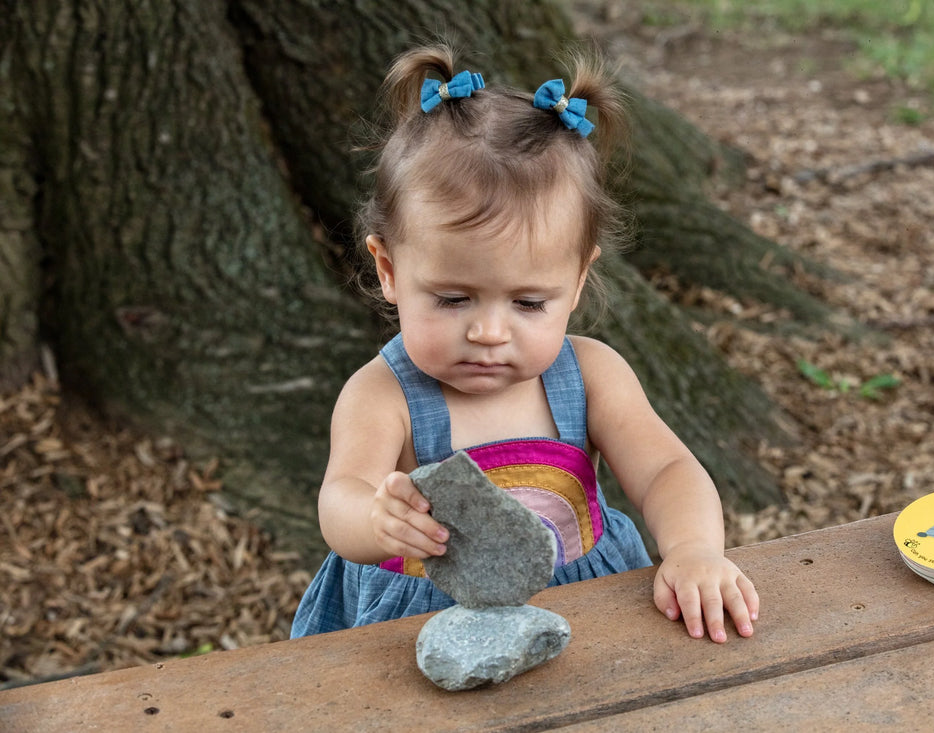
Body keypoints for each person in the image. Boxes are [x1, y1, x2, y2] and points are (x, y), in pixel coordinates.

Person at [291, 44, 759, 643]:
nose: (489, 333)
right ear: (387, 269)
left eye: (529, 303)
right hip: (425, 621)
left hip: (587, 602)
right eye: (453, 299)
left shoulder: (590, 376)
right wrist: (377, 520)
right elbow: (341, 500)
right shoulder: (383, 395)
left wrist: (694, 550)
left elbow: (667, 469)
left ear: (578, 280)